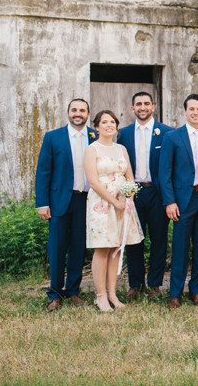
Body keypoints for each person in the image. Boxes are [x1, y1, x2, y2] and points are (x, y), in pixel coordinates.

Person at [35, 99, 97, 311]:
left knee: (79, 248)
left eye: (82, 110)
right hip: (59, 200)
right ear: (68, 112)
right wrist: (42, 203)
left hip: (86, 201)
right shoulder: (53, 137)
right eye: (74, 110)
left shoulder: (95, 136)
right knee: (57, 248)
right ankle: (55, 293)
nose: (77, 114)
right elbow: (43, 171)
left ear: (88, 114)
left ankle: (73, 291)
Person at [83, 110, 144, 312]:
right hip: (102, 203)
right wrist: (113, 202)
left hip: (122, 203)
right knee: (103, 248)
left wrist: (128, 198)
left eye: (112, 122)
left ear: (116, 127)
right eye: (104, 122)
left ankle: (112, 293)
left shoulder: (121, 149)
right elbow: (93, 181)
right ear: (97, 127)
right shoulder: (92, 149)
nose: (109, 125)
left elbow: (129, 177)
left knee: (117, 248)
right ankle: (100, 296)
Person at [159, 94, 198, 309]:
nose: (195, 112)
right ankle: (175, 293)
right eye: (191, 108)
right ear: (184, 111)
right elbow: (165, 173)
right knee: (180, 248)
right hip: (183, 200)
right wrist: (169, 202)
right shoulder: (173, 137)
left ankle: (197, 290)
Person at [118, 91, 172, 301]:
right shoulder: (122, 134)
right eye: (138, 104)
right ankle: (135, 283)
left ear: (153, 107)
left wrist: (169, 197)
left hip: (157, 193)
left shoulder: (167, 133)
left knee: (159, 240)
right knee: (133, 240)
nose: (142, 107)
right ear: (132, 108)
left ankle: (155, 284)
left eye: (146, 103)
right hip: (133, 194)